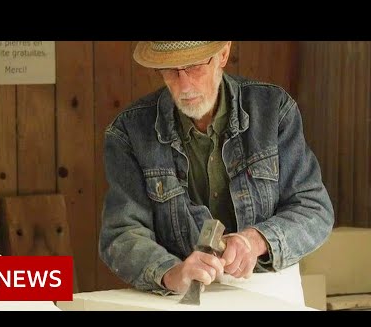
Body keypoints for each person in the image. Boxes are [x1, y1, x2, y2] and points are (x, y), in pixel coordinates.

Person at [98, 41, 334, 304]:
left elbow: (315, 209)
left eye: (194, 67)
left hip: (269, 293)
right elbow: (122, 233)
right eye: (171, 71)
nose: (184, 85)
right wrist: (171, 273)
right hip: (178, 298)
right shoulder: (129, 132)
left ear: (222, 54)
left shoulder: (272, 110)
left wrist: (255, 241)